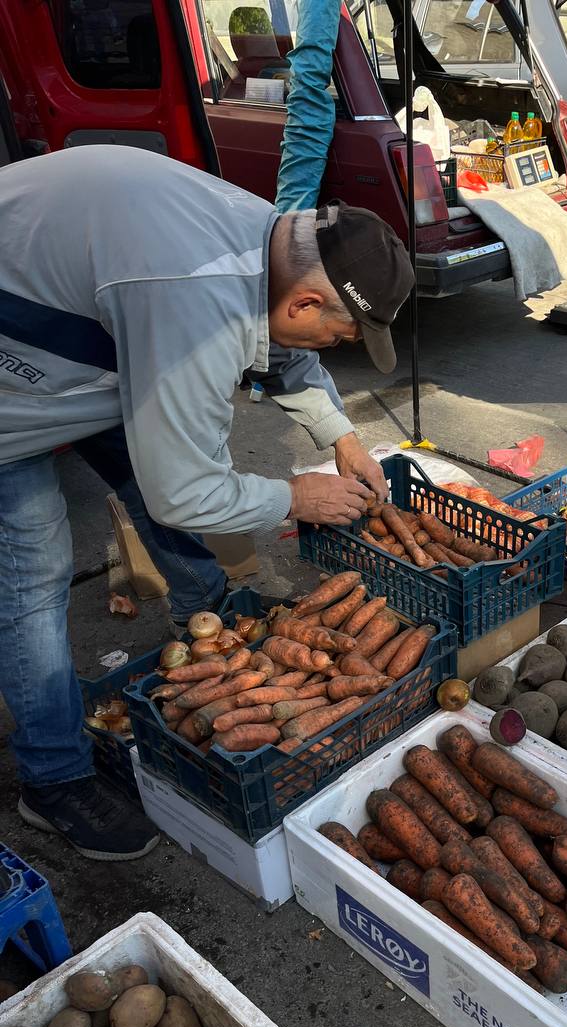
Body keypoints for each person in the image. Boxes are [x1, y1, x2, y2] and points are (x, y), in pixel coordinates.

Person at [0, 146, 414, 862]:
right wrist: (296, 495)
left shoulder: (276, 242)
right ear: (305, 303)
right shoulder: (192, 301)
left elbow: (286, 350)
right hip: (17, 381)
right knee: (34, 567)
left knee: (155, 468)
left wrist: (342, 438)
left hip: (86, 327)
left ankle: (213, 616)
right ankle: (55, 779)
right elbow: (184, 491)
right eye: (345, 333)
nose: (339, 346)